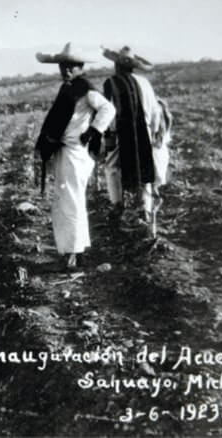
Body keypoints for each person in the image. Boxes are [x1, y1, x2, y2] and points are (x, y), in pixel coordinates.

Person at [35, 43, 116, 271]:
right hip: (67, 151)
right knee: (68, 201)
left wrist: (94, 130)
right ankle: (74, 250)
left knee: (70, 202)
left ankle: (72, 254)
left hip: (75, 152)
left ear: (80, 67)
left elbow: (108, 109)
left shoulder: (85, 89)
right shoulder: (70, 88)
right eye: (63, 66)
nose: (66, 70)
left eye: (71, 66)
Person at [101, 46, 171, 235]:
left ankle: (118, 205)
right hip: (144, 132)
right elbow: (155, 111)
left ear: (116, 64)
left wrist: (107, 135)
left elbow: (107, 112)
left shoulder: (111, 83)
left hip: (121, 134)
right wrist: (154, 132)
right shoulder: (145, 83)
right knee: (145, 171)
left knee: (112, 167)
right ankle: (145, 210)